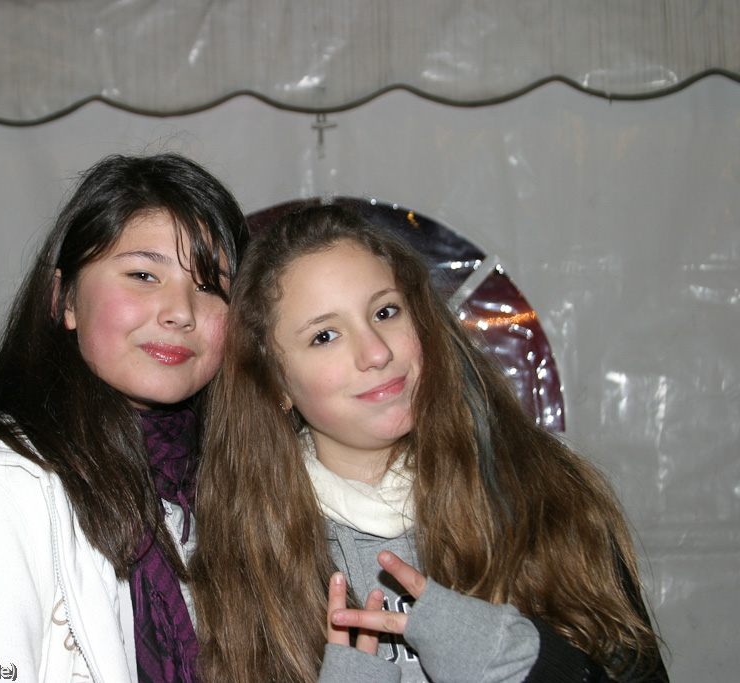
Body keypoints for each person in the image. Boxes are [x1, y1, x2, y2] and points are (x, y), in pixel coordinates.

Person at [190, 204, 667, 682]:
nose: (376, 352)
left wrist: (527, 662)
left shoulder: (547, 492)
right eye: (325, 336)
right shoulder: (240, 554)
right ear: (275, 382)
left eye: (385, 312)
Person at [0, 153, 249, 683]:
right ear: (64, 299)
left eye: (208, 286)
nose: (181, 311)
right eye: (143, 274)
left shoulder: (210, 483)